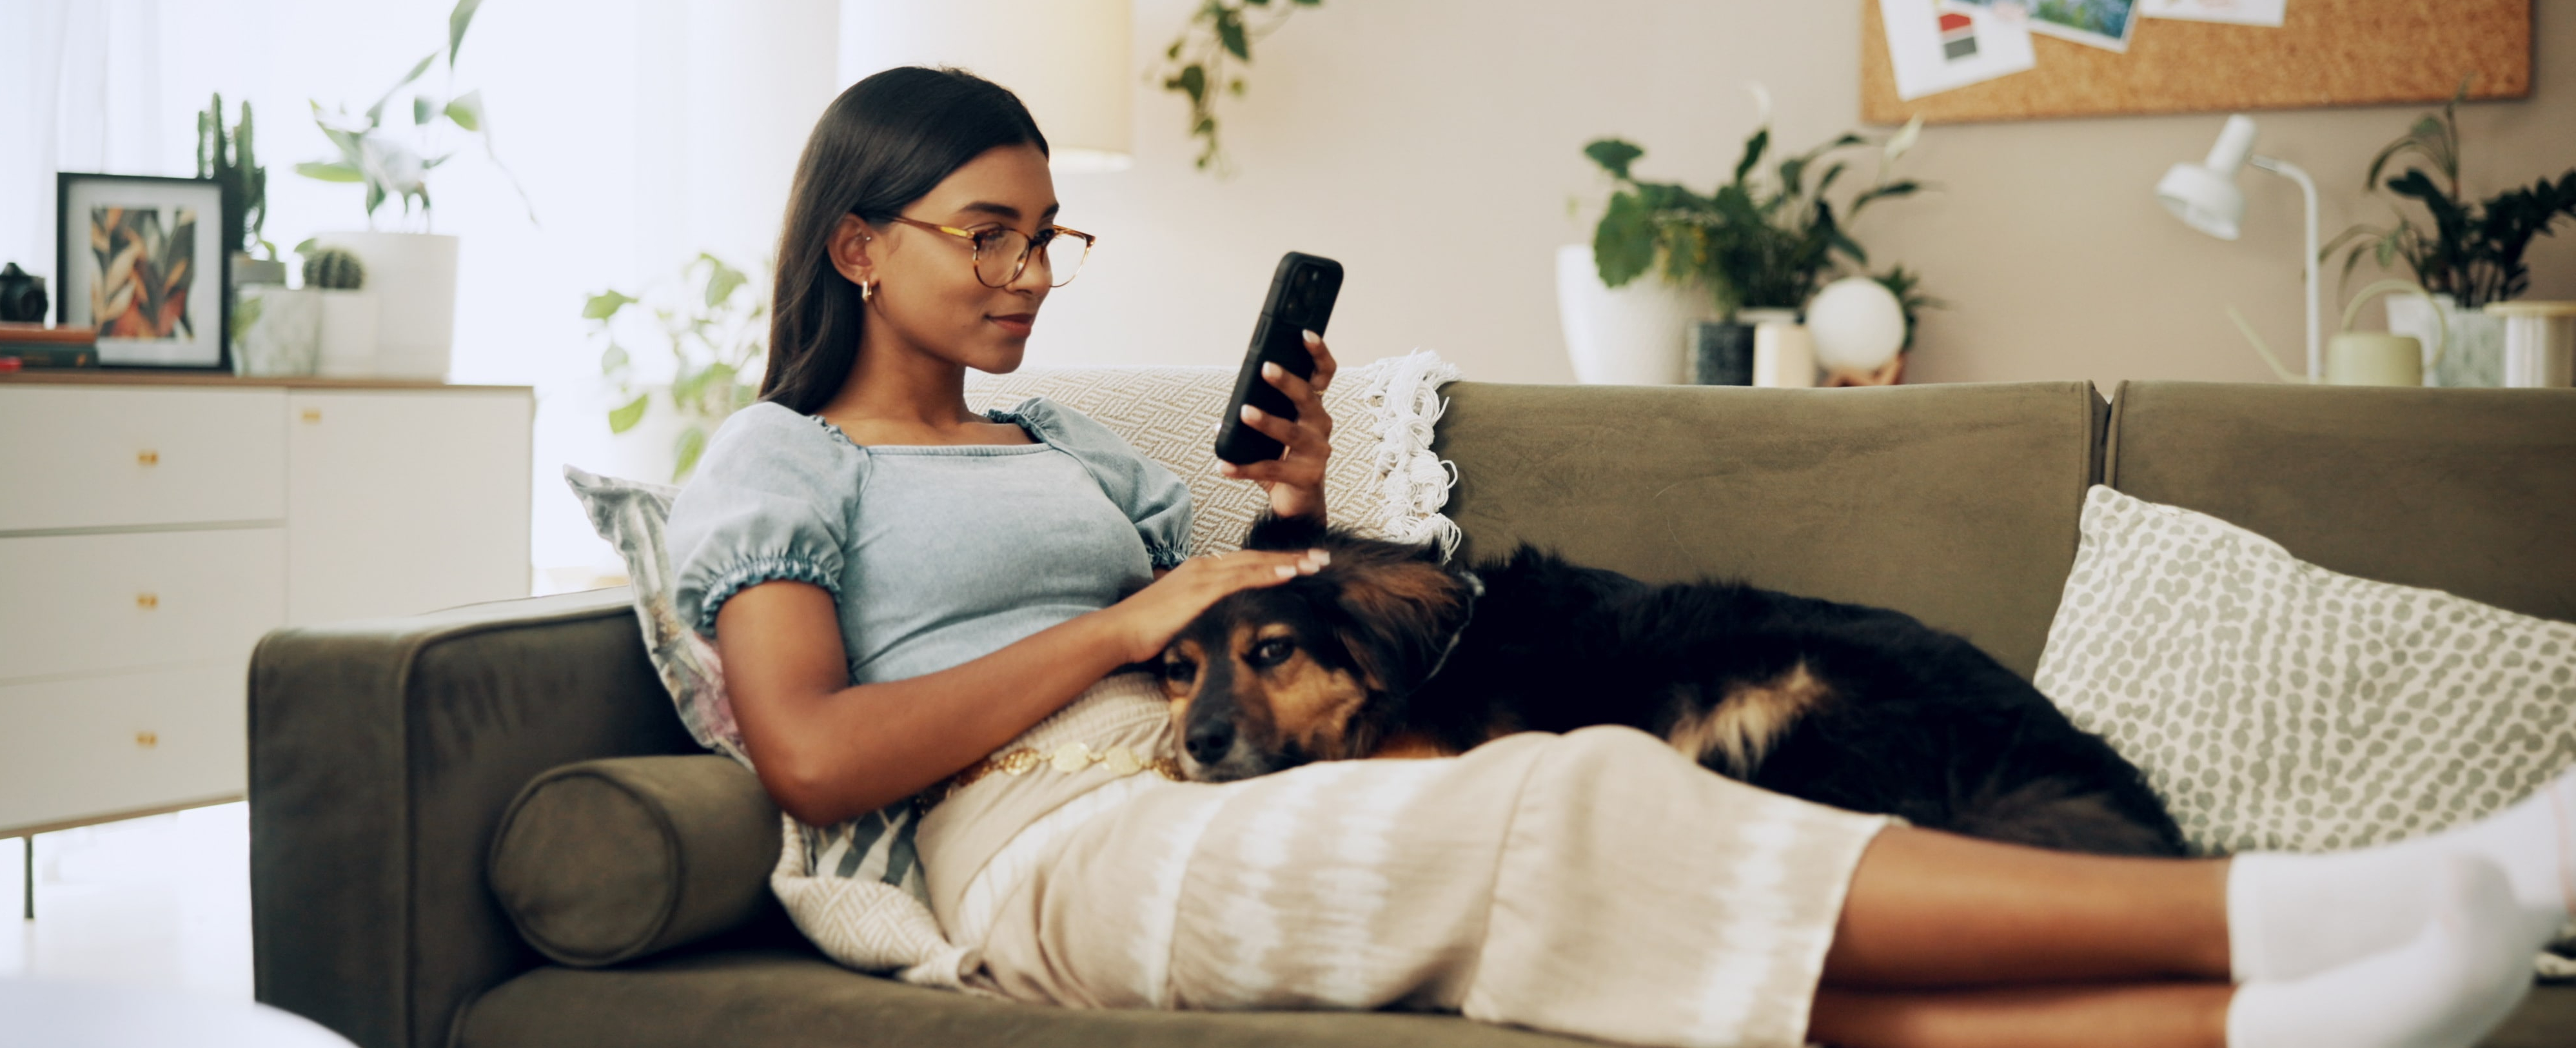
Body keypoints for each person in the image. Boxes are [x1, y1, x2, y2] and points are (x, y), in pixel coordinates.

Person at [665, 66, 2570, 1048]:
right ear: (860, 245)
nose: (1024, 274)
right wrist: (1136, 614)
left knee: (1647, 940)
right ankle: (2304, 906)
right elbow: (814, 756)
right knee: (1567, 800)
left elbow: (1259, 636)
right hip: (1044, 849)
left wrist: (1297, 516)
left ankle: (2250, 1031)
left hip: (1213, 776)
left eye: (1047, 240)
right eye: (987, 233)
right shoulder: (776, 461)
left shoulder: (1069, 442)